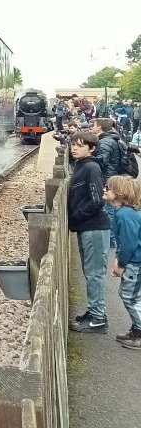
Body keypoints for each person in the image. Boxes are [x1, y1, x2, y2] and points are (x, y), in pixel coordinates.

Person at [68, 131, 112, 332]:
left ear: (92, 148)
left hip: (94, 227)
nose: (74, 148)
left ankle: (98, 319)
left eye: (80, 145)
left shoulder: (91, 168)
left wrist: (76, 217)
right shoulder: (82, 166)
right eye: (73, 145)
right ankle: (94, 311)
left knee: (94, 274)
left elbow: (97, 200)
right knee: (91, 273)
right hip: (88, 227)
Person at [107, 175, 141, 349]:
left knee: (130, 297)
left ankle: (140, 331)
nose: (106, 190)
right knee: (133, 296)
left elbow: (128, 243)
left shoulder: (125, 215)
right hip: (134, 261)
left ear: (119, 193)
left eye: (109, 188)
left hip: (135, 262)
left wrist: (120, 264)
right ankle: (136, 329)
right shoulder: (126, 213)